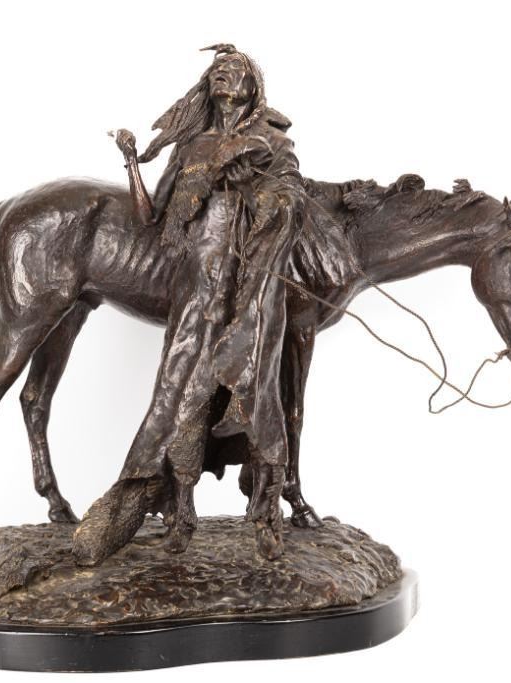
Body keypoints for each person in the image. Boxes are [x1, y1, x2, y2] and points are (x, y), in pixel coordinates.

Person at [73, 45, 316, 565]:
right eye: (218, 72)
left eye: (236, 70)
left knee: (259, 397)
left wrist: (260, 193)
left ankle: (267, 515)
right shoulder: (192, 147)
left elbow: (293, 197)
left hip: (252, 293)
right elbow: (151, 215)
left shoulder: (273, 143)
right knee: (181, 396)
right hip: (197, 290)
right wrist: (132, 163)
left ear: (253, 86)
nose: (225, 76)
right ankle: (180, 513)